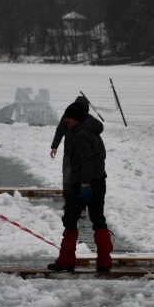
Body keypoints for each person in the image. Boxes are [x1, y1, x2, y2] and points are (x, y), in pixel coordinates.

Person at [48, 102, 112, 272]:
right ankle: (105, 261)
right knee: (98, 219)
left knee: (70, 219)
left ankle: (65, 260)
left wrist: (84, 184)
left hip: (84, 183)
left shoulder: (80, 135)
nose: (66, 120)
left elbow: (87, 160)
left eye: (68, 117)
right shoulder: (92, 132)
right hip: (99, 182)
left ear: (76, 118)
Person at [50, 96, 91, 203]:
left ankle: (82, 204)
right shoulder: (69, 117)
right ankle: (69, 202)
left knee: (82, 179)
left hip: (83, 155)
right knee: (68, 179)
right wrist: (55, 146)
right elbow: (60, 131)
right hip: (69, 154)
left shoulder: (88, 120)